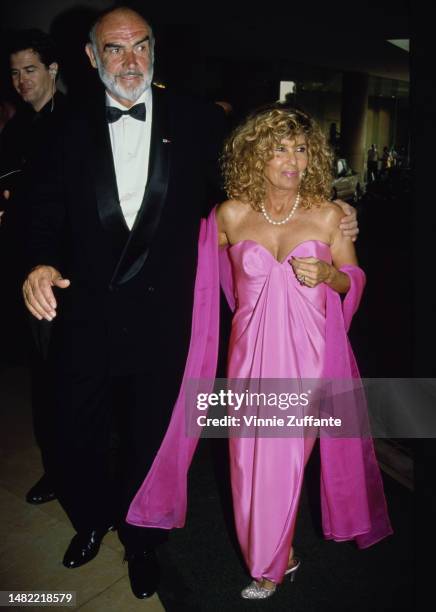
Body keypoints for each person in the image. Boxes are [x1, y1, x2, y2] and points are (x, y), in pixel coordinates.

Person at [22, 7, 359, 600]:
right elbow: (39, 211)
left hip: (166, 318)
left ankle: (143, 541)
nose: (130, 61)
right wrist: (37, 261)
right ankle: (94, 517)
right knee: (75, 429)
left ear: (154, 50)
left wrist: (326, 210)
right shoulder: (61, 127)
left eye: (140, 47)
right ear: (90, 56)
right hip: (86, 313)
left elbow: (250, 181)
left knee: (153, 434)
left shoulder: (197, 120)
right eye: (115, 49)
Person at [214, 104, 392, 598]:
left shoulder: (329, 213)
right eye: (278, 149)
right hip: (248, 357)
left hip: (308, 358)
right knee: (246, 463)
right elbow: (207, 285)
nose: (291, 159)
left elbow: (353, 278)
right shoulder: (229, 214)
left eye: (300, 149)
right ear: (255, 156)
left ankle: (267, 568)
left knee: (286, 459)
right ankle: (282, 553)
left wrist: (329, 276)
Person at [0, 29, 67, 504]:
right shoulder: (17, 128)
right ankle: (57, 468)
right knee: (44, 381)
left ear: (53, 70)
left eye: (30, 70)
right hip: (24, 269)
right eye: (15, 72)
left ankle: (79, 470)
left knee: (67, 379)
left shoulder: (75, 123)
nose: (21, 81)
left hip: (64, 273)